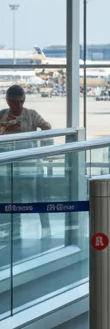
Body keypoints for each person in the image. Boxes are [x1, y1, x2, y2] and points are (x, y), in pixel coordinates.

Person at [1, 84, 53, 239]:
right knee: (11, 199)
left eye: (21, 102)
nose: (18, 105)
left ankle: (46, 229)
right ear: (8, 101)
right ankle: (15, 231)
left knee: (39, 197)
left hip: (31, 165)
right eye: (14, 102)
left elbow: (47, 128)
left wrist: (38, 142)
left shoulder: (31, 114)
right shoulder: (2, 116)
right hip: (9, 166)